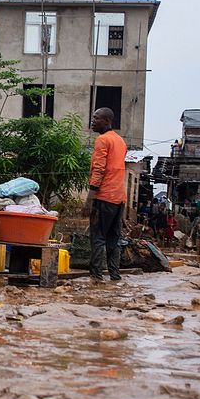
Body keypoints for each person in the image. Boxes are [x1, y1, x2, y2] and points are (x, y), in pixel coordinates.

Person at [82, 107, 128, 282]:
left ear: (107, 121)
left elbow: (99, 170)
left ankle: (96, 277)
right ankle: (115, 276)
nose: (93, 121)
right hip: (119, 198)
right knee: (114, 239)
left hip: (103, 196)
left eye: (96, 118)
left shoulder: (102, 140)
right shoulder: (120, 141)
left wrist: (89, 200)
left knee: (98, 237)